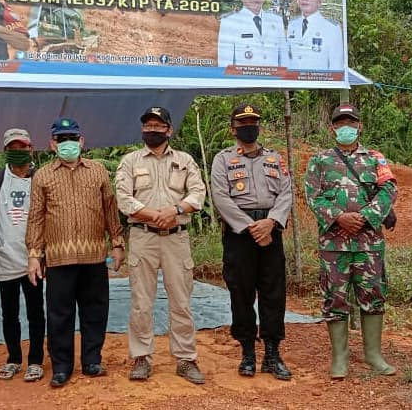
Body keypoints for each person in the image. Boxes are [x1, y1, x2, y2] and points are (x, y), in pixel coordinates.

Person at [26, 117, 125, 388]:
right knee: (59, 314)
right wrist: (34, 254)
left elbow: (110, 210)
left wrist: (117, 244)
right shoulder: (43, 175)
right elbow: (35, 218)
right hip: (58, 256)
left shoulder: (98, 172)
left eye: (72, 138)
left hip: (94, 254)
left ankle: (92, 360)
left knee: (95, 310)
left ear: (81, 141)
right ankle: (62, 366)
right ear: (52, 144)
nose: (67, 143)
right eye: (61, 139)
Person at [303, 103, 397, 379]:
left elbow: (388, 190)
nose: (346, 128)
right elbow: (313, 196)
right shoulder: (319, 160)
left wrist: (366, 216)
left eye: (351, 123)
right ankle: (340, 358)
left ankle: (373, 355)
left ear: (360, 126)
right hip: (335, 244)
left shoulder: (375, 159)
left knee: (372, 295)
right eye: (341, 123)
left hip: (368, 242)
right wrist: (339, 217)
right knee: (335, 297)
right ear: (333, 128)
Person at [115, 107, 207, 384]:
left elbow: (199, 193)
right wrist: (154, 215)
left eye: (158, 125)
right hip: (143, 236)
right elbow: (123, 198)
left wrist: (175, 209)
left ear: (169, 130)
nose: (152, 130)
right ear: (142, 129)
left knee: (181, 301)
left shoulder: (185, 160)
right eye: (148, 126)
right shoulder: (130, 161)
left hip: (176, 238)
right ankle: (141, 357)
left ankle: (186, 359)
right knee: (141, 302)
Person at [210, 104, 293, 380]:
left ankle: (272, 352)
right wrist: (250, 227)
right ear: (233, 128)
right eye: (243, 123)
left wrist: (271, 223)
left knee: (273, 293)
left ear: (259, 126)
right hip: (239, 236)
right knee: (240, 293)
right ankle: (247, 352)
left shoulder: (274, 158)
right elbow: (220, 196)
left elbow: (286, 192)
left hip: (271, 231)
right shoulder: (223, 160)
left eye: (253, 122)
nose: (249, 127)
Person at [0, 128, 45, 383]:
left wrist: (43, 254)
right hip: (5, 255)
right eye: (13, 148)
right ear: (6, 150)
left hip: (33, 256)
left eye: (23, 147)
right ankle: (13, 358)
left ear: (31, 149)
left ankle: (36, 361)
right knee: (9, 311)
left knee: (35, 310)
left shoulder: (40, 178)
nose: (18, 152)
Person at [217, 0, 286, 67]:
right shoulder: (229, 23)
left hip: (273, 82)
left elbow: (284, 63)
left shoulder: (276, 21)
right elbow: (225, 67)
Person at [286, 0, 344, 71]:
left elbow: (336, 68)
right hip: (292, 84)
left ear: (320, 0)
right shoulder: (292, 25)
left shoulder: (332, 29)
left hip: (318, 85)